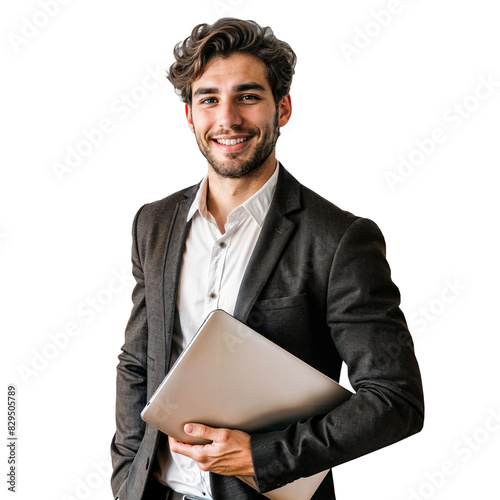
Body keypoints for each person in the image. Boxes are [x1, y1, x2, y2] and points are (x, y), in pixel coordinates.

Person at [110, 17, 424, 500]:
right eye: (209, 98)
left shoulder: (340, 239)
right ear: (190, 115)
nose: (228, 118)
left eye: (248, 96)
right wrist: (127, 479)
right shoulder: (153, 223)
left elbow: (395, 400)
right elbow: (138, 362)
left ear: (283, 107)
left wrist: (265, 457)